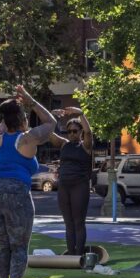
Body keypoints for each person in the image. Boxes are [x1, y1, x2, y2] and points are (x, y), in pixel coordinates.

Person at [0, 86, 56, 278]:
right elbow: (51, 122)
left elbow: (3, 123)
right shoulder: (27, 138)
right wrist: (30, 100)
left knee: (4, 246)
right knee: (19, 246)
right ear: (23, 119)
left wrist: (12, 106)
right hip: (16, 192)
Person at [49, 107, 93, 256]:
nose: (72, 134)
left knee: (78, 222)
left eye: (75, 131)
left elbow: (89, 132)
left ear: (80, 132)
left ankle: (79, 255)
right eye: (69, 131)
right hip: (64, 186)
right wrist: (51, 116)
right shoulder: (64, 144)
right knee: (68, 223)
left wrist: (80, 114)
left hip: (79, 185)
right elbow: (49, 133)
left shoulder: (85, 146)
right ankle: (71, 254)